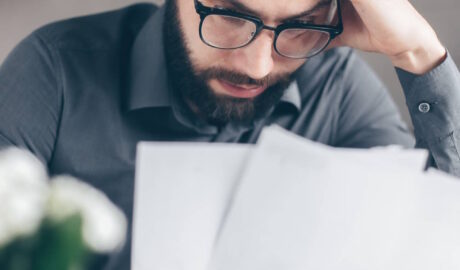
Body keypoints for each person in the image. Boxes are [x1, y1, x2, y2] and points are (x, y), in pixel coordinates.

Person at [0, 0, 459, 268]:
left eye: (297, 27)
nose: (256, 67)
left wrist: (416, 51)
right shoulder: (54, 71)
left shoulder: (332, 84)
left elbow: (437, 235)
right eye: (231, 15)